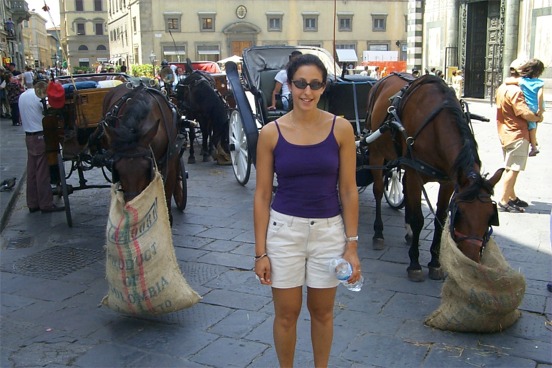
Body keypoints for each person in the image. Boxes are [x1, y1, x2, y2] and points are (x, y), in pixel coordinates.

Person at [254, 54, 360, 367]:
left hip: (329, 233)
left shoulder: (341, 129)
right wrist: (260, 253)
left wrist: (351, 246)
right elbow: (261, 195)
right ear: (289, 84)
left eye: (315, 84)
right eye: (300, 83)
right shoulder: (270, 133)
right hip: (284, 231)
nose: (307, 92)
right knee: (286, 315)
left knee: (323, 313)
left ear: (323, 87)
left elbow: (349, 190)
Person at [495, 58, 543, 213]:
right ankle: (503, 201)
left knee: (510, 165)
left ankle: (511, 196)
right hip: (517, 134)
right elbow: (524, 113)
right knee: (513, 169)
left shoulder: (503, 87)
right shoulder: (516, 91)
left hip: (505, 132)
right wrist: (537, 118)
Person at [19, 80, 64, 213]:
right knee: (42, 172)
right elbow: (48, 111)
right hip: (39, 135)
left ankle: (32, 203)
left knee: (32, 171)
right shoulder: (37, 97)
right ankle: (46, 204)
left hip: (29, 136)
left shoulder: (22, 96)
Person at [505, 58, 545, 157]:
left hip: (529, 106)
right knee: (535, 124)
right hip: (538, 105)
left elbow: (507, 81)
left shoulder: (522, 81)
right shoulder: (539, 82)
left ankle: (534, 147)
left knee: (532, 126)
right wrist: (540, 108)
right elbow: (540, 95)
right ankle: (534, 141)